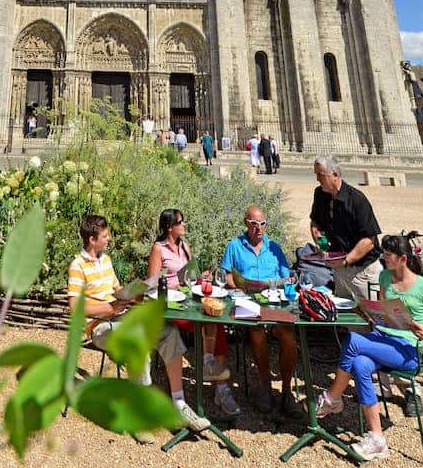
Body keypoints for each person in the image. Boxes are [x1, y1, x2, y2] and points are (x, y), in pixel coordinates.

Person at [68, 213, 210, 440]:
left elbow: (115, 288)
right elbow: (75, 307)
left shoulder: (105, 259)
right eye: (104, 236)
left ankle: (179, 404)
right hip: (100, 327)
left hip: (120, 318)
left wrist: (134, 293)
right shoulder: (77, 266)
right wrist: (111, 307)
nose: (108, 239)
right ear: (92, 239)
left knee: (169, 332)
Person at [316, 234, 423, 461]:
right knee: (359, 363)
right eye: (384, 253)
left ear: (403, 258)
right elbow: (381, 311)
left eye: (388, 255)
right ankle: (377, 438)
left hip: (408, 349)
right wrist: (369, 311)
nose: (384, 258)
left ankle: (332, 397)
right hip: (383, 338)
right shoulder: (385, 277)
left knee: (354, 341)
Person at [147, 209, 240, 419]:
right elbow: (152, 284)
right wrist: (176, 284)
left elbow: (192, 275)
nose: (184, 225)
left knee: (216, 323)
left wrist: (201, 276)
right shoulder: (158, 249)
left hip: (188, 301)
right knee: (208, 323)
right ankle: (210, 368)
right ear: (170, 227)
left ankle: (220, 386)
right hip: (171, 305)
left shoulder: (185, 247)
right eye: (181, 222)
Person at [222, 206, 303, 418]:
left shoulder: (274, 248)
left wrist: (282, 283)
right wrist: (240, 286)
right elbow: (227, 276)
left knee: (288, 334)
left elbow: (287, 277)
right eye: (254, 223)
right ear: (246, 223)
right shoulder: (234, 246)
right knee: (256, 332)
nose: (259, 228)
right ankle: (265, 385)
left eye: (263, 224)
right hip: (248, 299)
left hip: (275, 300)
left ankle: (287, 390)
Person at [309, 156, 382, 299]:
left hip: (362, 271)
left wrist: (347, 260)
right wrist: (321, 243)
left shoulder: (357, 200)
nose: (318, 179)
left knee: (370, 316)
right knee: (345, 315)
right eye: (316, 174)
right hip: (339, 268)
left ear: (335, 174)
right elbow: (315, 223)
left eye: (321, 175)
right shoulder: (320, 195)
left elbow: (368, 240)